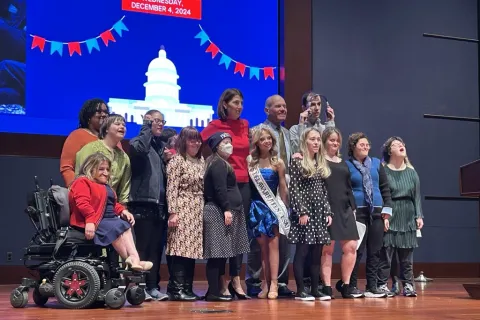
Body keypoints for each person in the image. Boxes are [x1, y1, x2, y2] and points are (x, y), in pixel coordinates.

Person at [201, 89, 250, 299]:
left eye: (241, 103)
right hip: (224, 184)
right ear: (225, 105)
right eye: (235, 103)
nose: (239, 107)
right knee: (223, 238)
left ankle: (236, 279)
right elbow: (195, 142)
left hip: (244, 184)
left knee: (239, 236)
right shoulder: (215, 126)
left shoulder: (245, 125)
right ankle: (220, 283)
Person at [69, 152, 152, 271]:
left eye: (107, 169)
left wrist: (123, 211)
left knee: (125, 224)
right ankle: (131, 261)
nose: (106, 173)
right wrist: (90, 221)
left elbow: (111, 204)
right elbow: (83, 204)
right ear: (90, 168)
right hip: (94, 219)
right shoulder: (82, 182)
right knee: (116, 227)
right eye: (101, 169)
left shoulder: (104, 185)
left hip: (108, 218)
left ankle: (134, 260)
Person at [247, 95, 294, 297]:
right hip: (258, 204)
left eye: (284, 106)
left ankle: (277, 283)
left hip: (276, 202)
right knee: (259, 249)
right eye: (278, 106)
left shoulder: (287, 133)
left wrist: (286, 206)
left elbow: (283, 185)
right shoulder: (256, 131)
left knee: (278, 246)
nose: (283, 109)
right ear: (267, 110)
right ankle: (258, 282)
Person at [336, 132, 392, 298]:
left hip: (377, 212)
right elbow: (344, 190)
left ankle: (372, 286)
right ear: (353, 147)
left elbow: (385, 188)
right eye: (362, 144)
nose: (366, 147)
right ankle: (351, 285)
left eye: (367, 144)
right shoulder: (346, 165)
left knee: (375, 250)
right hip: (357, 213)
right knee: (356, 251)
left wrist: (387, 211)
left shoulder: (376, 164)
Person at [128, 110, 172, 301]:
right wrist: (146, 129)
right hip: (142, 203)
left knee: (156, 248)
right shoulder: (137, 142)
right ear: (146, 122)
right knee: (143, 248)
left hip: (160, 205)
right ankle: (139, 288)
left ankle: (153, 287)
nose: (160, 125)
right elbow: (139, 151)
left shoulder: (161, 146)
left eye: (162, 121)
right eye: (156, 121)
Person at [377, 136, 424, 297]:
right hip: (391, 213)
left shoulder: (412, 172)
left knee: (406, 256)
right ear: (389, 151)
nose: (401, 146)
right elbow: (382, 195)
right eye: (396, 144)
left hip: (408, 214)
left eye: (402, 144)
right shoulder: (383, 170)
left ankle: (408, 285)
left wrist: (419, 215)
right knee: (387, 254)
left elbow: (416, 197)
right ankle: (383, 284)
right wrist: (385, 215)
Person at [289, 127, 332, 301]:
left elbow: (323, 190)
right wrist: (301, 211)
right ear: (305, 141)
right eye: (312, 139)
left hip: (319, 213)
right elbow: (295, 189)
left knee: (317, 252)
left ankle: (315, 289)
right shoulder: (298, 161)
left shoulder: (320, 163)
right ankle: (301, 290)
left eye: (318, 139)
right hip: (305, 212)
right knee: (303, 251)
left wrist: (328, 211)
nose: (316, 142)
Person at [320, 127, 362, 299]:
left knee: (351, 246)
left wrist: (353, 208)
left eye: (337, 140)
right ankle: (327, 287)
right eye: (331, 140)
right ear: (324, 142)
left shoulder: (343, 162)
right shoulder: (319, 160)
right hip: (327, 209)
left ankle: (345, 285)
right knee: (327, 249)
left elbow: (348, 186)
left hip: (345, 208)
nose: (335, 143)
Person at [165, 126, 205, 301]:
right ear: (183, 142)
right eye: (191, 139)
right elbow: (171, 189)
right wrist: (173, 212)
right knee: (180, 249)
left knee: (192, 250)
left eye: (198, 139)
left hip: (197, 209)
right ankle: (176, 289)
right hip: (181, 207)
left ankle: (188, 288)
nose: (195, 143)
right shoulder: (177, 161)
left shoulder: (201, 161)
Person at [75, 114, 130, 205]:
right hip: (88, 202)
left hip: (111, 206)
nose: (122, 127)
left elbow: (124, 190)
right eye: (117, 124)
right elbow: (80, 177)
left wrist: (123, 209)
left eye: (124, 125)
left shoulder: (124, 157)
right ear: (107, 129)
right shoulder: (90, 149)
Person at [60, 99, 110, 187]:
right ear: (89, 116)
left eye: (106, 112)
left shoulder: (112, 139)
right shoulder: (77, 135)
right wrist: (77, 188)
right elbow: (66, 167)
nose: (103, 114)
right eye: (98, 111)